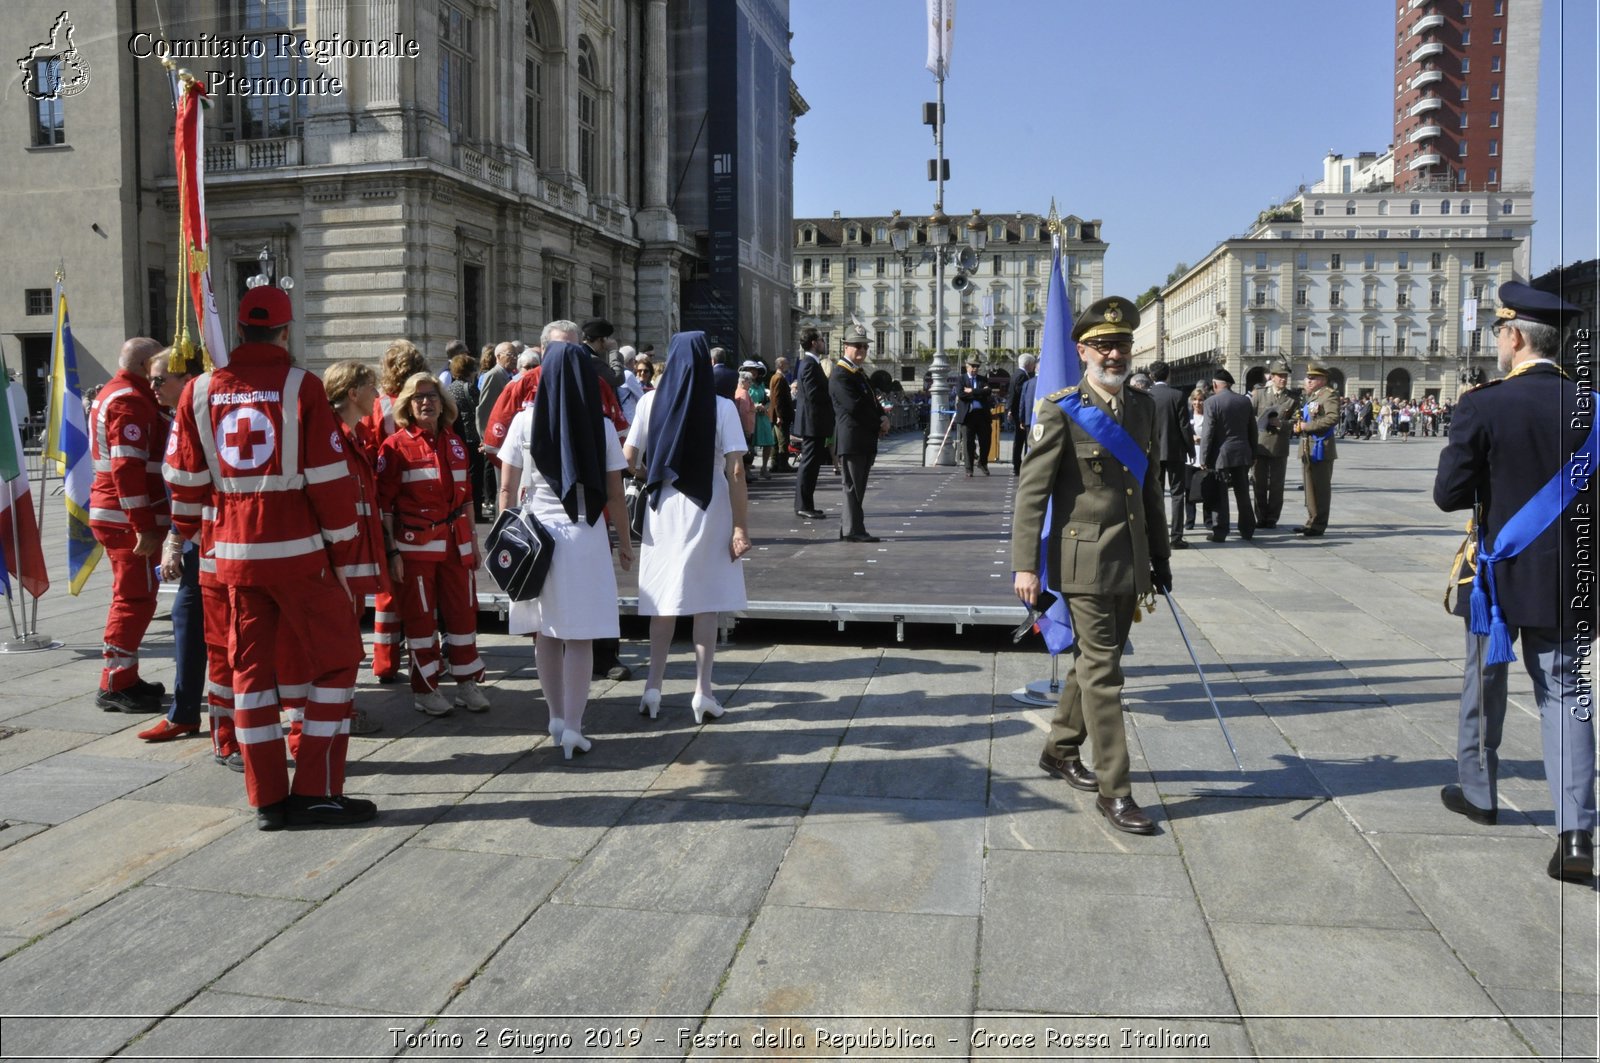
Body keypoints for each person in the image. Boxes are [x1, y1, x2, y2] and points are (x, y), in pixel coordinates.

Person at [164, 285, 375, 829]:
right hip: (300, 556)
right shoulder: (299, 387)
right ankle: (315, 789)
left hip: (232, 557)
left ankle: (265, 800)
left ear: (239, 331)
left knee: (251, 677)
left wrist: (183, 533)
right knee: (336, 660)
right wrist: (342, 549)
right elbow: (330, 481)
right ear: (286, 331)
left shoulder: (199, 390)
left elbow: (185, 482)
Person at [1435, 282, 1595, 885]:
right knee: (1567, 697)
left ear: (1515, 337)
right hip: (1572, 578)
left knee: (1484, 683)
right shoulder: (1593, 406)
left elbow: (1448, 494)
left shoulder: (1482, 404)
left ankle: (1479, 792)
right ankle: (1575, 830)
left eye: (1500, 333)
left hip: (1497, 577)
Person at [1010, 295, 1170, 836]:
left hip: (1131, 557)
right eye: (1103, 346)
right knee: (1105, 672)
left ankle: (1059, 750)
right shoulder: (1059, 407)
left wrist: (1161, 557)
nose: (1114, 354)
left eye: (1121, 344)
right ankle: (1115, 790)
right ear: (1082, 351)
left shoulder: (1144, 407)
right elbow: (1031, 494)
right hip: (1082, 559)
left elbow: (1148, 488)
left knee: (1089, 662)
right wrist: (1024, 566)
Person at [498, 342, 633, 758]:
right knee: (580, 636)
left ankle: (555, 716)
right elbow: (615, 493)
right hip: (584, 533)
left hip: (536, 535)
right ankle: (574, 726)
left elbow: (504, 487)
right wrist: (625, 544)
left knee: (545, 631)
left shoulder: (523, 422)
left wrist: (506, 538)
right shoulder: (603, 426)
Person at [624, 331, 750, 723]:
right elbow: (736, 469)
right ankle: (702, 691)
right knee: (705, 604)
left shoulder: (648, 402)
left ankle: (653, 687)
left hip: (663, 507)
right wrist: (741, 526)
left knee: (663, 600)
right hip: (708, 504)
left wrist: (653, 472)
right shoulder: (722, 407)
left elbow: (628, 458)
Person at [375, 372, 488, 716]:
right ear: (407, 406)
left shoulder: (455, 443)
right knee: (422, 622)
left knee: (463, 615)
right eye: (419, 397)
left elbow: (467, 498)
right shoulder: (394, 446)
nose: (427, 402)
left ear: (444, 403)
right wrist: (392, 551)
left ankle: (467, 684)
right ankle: (425, 690)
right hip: (416, 548)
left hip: (456, 545)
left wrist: (474, 542)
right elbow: (384, 505)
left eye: (433, 396)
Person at [89, 337, 170, 713]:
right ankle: (115, 684)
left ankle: (125, 677)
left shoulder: (117, 391)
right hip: (126, 517)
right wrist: (144, 525)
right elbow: (127, 466)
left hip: (116, 512)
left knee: (135, 596)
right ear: (144, 366)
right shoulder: (130, 400)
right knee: (133, 598)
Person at [140, 351, 205, 741]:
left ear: (188, 379)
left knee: (193, 619)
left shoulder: (196, 416)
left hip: (209, 539)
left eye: (160, 379)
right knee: (186, 620)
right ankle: (185, 711)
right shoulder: (177, 417)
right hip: (194, 536)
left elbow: (190, 487)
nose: (153, 387)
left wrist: (175, 541)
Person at [323, 359, 389, 736]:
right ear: (352, 393)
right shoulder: (330, 436)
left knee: (348, 636)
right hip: (339, 560)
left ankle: (343, 707)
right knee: (341, 640)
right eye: (371, 387)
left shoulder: (349, 434)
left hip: (351, 556)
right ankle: (338, 712)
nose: (377, 394)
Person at [367, 339, 429, 682]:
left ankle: (384, 662)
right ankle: (423, 657)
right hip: (422, 503)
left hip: (387, 500)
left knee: (388, 587)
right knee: (422, 586)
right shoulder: (426, 400)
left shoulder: (380, 406)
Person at [830, 324, 890, 542]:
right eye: (857, 346)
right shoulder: (841, 375)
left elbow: (871, 401)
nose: (862, 350)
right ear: (845, 346)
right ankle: (852, 530)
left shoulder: (858, 373)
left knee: (857, 487)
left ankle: (849, 527)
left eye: (864, 346)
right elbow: (854, 407)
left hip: (862, 438)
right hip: (852, 438)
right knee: (853, 487)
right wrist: (878, 423)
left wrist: (882, 416)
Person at [1200, 367, 1258, 543]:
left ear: (1216, 385)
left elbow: (1208, 432)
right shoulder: (1244, 401)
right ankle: (1247, 530)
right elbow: (1252, 430)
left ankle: (1220, 531)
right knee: (1243, 493)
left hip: (1221, 455)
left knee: (1221, 495)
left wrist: (1203, 457)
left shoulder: (1212, 402)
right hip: (1242, 453)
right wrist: (1253, 452)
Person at [1146, 361, 1191, 550]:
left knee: (1154, 495)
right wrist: (1191, 450)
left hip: (1152, 453)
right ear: (1168, 375)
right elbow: (1184, 426)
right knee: (1177, 494)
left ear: (1151, 376)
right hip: (1175, 452)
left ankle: (1156, 535)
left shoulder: (1145, 396)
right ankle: (1176, 537)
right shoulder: (1178, 395)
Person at [1293, 361, 1340, 537]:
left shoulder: (1328, 395)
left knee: (1320, 488)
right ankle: (1311, 520)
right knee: (1309, 487)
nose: (1308, 381)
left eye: (1312, 378)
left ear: (1323, 380)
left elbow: (1332, 418)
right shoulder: (1312, 397)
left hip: (1322, 447)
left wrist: (1308, 426)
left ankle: (1319, 524)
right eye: (1308, 378)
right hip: (1308, 447)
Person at [1249, 358, 1296, 529]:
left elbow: (1296, 422)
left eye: (1285, 376)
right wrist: (1260, 420)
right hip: (1260, 445)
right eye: (1280, 376)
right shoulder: (1260, 394)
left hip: (1279, 446)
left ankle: (1272, 519)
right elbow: (1249, 416)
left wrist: (1281, 424)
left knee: (1277, 485)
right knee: (1259, 483)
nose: (1283, 379)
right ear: (1272, 377)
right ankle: (1260, 517)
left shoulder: (1292, 398)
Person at [791, 327, 832, 519]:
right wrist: (832, 394)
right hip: (812, 423)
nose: (824, 343)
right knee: (808, 465)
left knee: (812, 465)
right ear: (814, 343)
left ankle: (807, 504)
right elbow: (813, 394)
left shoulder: (810, 363)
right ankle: (803, 505)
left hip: (815, 423)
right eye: (822, 340)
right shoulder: (808, 364)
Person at [444, 348, 487, 522]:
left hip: (458, 436)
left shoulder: (450, 388)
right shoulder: (469, 388)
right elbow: (480, 408)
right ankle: (476, 511)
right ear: (469, 370)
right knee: (475, 478)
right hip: (473, 436)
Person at [951, 357, 993, 477]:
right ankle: (969, 468)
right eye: (973, 366)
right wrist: (979, 392)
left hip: (982, 415)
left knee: (985, 441)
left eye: (977, 366)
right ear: (966, 366)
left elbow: (988, 392)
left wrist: (972, 391)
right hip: (968, 415)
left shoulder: (982, 379)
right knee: (968, 443)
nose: (975, 369)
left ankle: (982, 463)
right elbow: (961, 394)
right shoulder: (961, 379)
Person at [1006, 354, 1037, 477]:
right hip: (1020, 413)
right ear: (1029, 364)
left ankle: (1017, 465)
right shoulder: (1022, 376)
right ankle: (1019, 465)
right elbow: (1021, 396)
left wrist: (1009, 410)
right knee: (1022, 440)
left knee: (1018, 440)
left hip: (1015, 411)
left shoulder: (1015, 374)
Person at [745, 362, 776, 479]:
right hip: (751, 417)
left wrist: (765, 406)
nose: (754, 372)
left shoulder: (761, 384)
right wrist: (755, 406)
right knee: (750, 444)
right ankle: (747, 469)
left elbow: (767, 400)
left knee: (768, 442)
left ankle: (764, 468)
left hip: (762, 417)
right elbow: (744, 400)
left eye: (756, 370)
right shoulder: (746, 385)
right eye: (751, 370)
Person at [769, 357, 793, 472]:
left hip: (776, 414)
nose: (788, 365)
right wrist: (779, 415)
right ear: (781, 365)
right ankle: (782, 464)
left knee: (775, 440)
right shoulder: (779, 378)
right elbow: (777, 398)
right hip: (781, 415)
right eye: (786, 363)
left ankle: (774, 463)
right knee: (783, 440)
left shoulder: (775, 377)